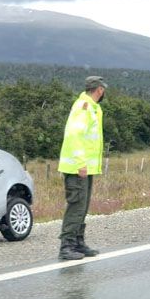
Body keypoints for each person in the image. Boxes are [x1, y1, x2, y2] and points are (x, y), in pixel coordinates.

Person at [57, 76, 106, 260]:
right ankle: (67, 245)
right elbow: (74, 135)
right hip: (78, 167)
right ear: (99, 90)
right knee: (76, 206)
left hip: (87, 167)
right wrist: (80, 162)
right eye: (103, 90)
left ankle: (78, 242)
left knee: (83, 206)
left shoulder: (93, 108)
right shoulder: (83, 107)